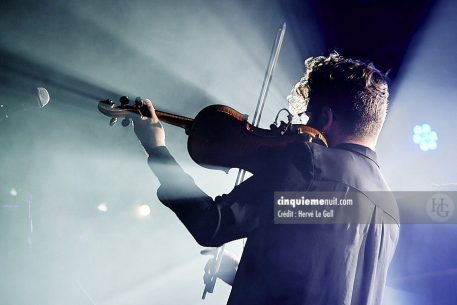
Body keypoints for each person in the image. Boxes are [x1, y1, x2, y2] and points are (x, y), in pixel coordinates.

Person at [132, 52, 400, 305]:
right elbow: (324, 284)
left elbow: (212, 223)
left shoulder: (310, 164)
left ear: (325, 118)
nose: (303, 125)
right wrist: (242, 275)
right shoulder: (389, 210)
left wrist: (157, 151)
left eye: (307, 116)